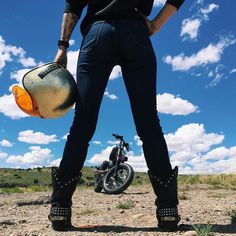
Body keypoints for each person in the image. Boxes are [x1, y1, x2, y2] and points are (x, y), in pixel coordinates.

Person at [48, 0, 185, 232]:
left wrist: (62, 46)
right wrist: (155, 25)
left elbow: (73, 5)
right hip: (136, 32)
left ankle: (60, 209)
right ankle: (168, 211)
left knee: (83, 123)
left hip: (97, 33)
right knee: (148, 123)